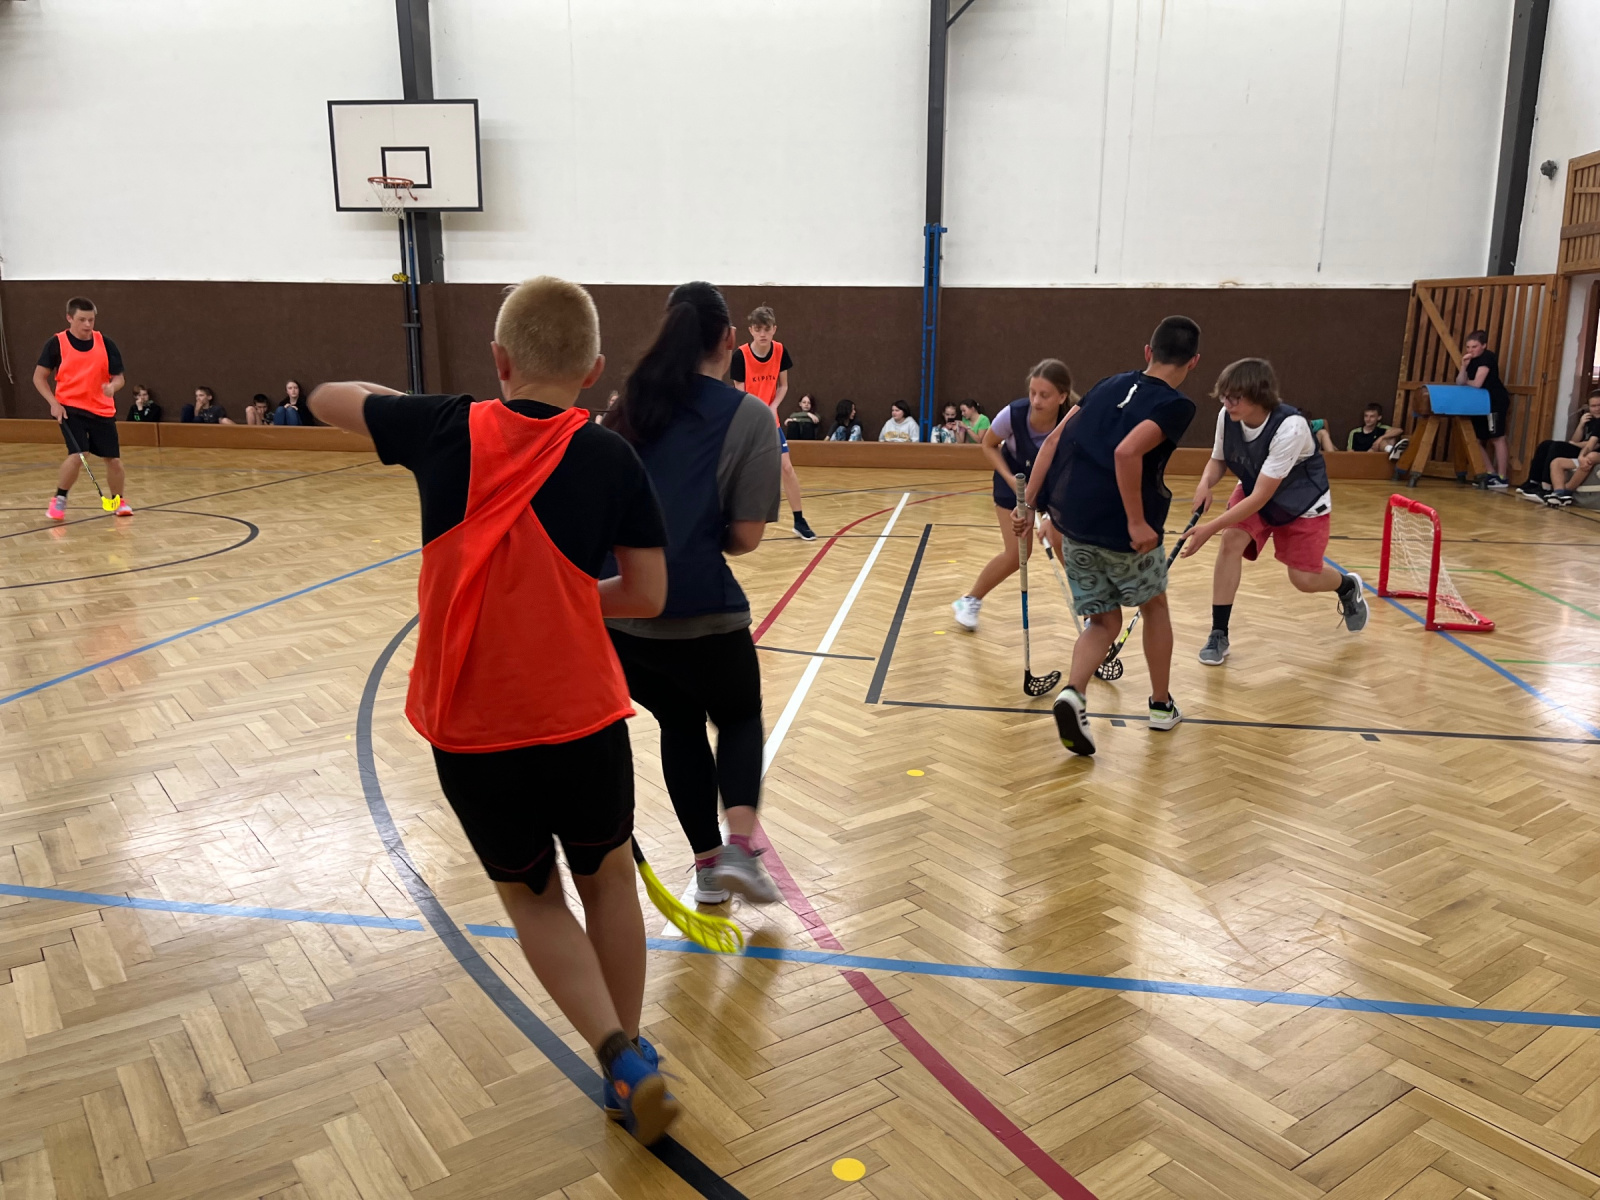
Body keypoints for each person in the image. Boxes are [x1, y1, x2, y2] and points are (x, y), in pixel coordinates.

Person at [306, 276, 679, 1146]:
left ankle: (614, 1052)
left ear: (500, 360)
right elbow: (649, 594)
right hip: (582, 716)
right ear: (593, 371)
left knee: (534, 899)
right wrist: (568, 599)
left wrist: (407, 408)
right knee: (608, 880)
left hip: (473, 730)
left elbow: (326, 397)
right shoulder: (612, 458)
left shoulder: (443, 427)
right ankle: (629, 1063)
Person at [603, 280, 784, 911]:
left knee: (678, 722)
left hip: (619, 612)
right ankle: (738, 847)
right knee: (737, 715)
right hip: (701, 608)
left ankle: (708, 870)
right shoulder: (750, 416)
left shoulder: (625, 408)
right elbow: (746, 538)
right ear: (730, 340)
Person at [1022, 316, 1202, 756]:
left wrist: (1026, 505)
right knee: (1154, 607)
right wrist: (1137, 522)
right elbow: (1127, 452)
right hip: (1124, 534)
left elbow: (1052, 443)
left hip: (1073, 524)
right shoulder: (1176, 405)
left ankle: (1074, 693)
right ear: (1194, 362)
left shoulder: (1106, 385)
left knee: (1103, 621)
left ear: (1148, 352)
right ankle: (1160, 706)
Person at [1182, 358, 1369, 668]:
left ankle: (1347, 586)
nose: (1226, 403)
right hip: (1257, 486)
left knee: (1303, 579)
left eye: (1234, 397)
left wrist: (1208, 528)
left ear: (1259, 395)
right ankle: (1219, 633)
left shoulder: (1290, 427)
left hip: (1301, 501)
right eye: (1224, 396)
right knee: (1231, 541)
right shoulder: (1227, 416)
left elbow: (1260, 498)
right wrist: (1205, 483)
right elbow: (1219, 459)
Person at [951, 361, 1075, 631]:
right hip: (1014, 480)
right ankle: (969, 600)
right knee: (1018, 554)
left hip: (1053, 484)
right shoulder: (1012, 414)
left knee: (1063, 546)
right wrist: (1012, 481)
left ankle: (1091, 615)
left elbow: (1073, 470)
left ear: (1062, 396)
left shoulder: (1073, 422)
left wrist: (1051, 516)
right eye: (1033, 393)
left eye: (1044, 395)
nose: (1036, 401)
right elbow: (988, 444)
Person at [33, 297, 132, 519]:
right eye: (82, 320)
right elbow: (39, 377)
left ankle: (118, 502)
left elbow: (119, 377)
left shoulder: (106, 343)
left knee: (113, 460)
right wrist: (54, 403)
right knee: (79, 454)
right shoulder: (57, 343)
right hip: (70, 408)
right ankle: (59, 500)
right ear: (69, 318)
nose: (87, 324)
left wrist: (113, 387)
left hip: (102, 410)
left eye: (91, 320)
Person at [730, 306, 814, 541]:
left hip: (770, 420)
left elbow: (783, 385)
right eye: (758, 329)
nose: (762, 334)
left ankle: (799, 520)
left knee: (786, 468)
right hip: (748, 420)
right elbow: (740, 393)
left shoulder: (779, 351)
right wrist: (758, 414)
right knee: (741, 472)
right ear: (751, 330)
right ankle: (731, 520)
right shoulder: (740, 356)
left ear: (774, 329)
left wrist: (773, 406)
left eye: (767, 329)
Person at [1517, 390, 1600, 503]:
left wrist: (1573, 445)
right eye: (1593, 406)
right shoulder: (1590, 420)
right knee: (1546, 444)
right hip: (1582, 449)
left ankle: (1546, 486)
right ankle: (1533, 481)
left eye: (1599, 405)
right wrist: (1581, 425)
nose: (1597, 409)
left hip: (1590, 451)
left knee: (1557, 446)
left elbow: (1594, 445)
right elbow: (1574, 439)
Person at [1458, 329, 1512, 489]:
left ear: (1484, 345)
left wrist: (1467, 382)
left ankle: (1502, 477)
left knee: (1497, 437)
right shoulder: (1470, 360)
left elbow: (1477, 383)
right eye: (1468, 347)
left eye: (1474, 347)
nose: (1470, 350)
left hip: (1494, 401)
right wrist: (1463, 366)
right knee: (1476, 439)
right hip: (1479, 403)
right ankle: (1490, 472)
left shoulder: (1487, 357)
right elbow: (1459, 381)